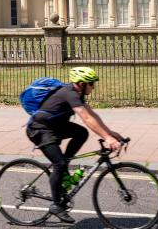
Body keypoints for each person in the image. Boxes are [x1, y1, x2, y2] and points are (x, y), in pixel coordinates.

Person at [26, 66, 124, 224]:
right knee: (58, 163)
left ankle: (64, 168)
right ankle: (56, 205)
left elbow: (93, 115)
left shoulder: (78, 94)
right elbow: (85, 118)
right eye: (91, 83)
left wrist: (110, 133)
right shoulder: (69, 93)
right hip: (40, 130)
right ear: (80, 83)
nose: (93, 86)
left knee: (81, 133)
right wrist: (106, 138)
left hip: (55, 127)